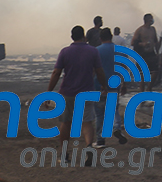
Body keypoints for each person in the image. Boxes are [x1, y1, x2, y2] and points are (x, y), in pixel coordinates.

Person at [48, 25, 108, 165]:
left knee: (66, 123)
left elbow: (56, 73)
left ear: (72, 37)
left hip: (68, 92)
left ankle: (64, 155)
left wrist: (49, 91)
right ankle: (88, 147)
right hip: (87, 92)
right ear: (84, 37)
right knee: (87, 122)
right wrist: (104, 85)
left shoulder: (65, 52)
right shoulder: (93, 51)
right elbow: (99, 71)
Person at [92, 29, 128, 148]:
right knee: (114, 109)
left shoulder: (96, 51)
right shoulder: (119, 50)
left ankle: (100, 140)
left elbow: (93, 70)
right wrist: (124, 84)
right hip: (114, 85)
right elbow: (123, 67)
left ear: (100, 38)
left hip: (99, 85)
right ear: (111, 36)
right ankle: (117, 128)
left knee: (99, 114)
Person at [131, 14, 159, 92]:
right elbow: (133, 43)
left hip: (151, 53)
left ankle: (149, 88)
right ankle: (142, 91)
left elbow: (156, 41)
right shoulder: (140, 30)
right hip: (142, 53)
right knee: (142, 74)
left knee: (155, 71)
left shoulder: (153, 29)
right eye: (151, 19)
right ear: (147, 20)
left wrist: (157, 52)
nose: (152, 20)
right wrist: (142, 44)